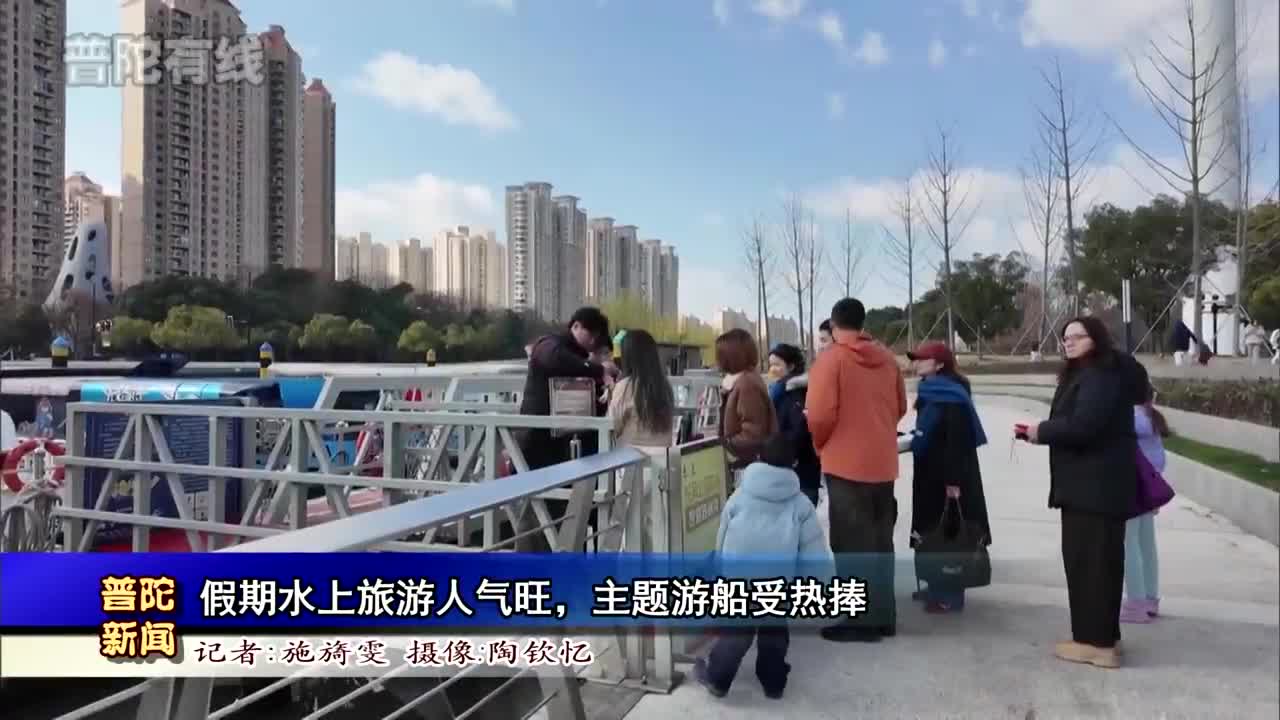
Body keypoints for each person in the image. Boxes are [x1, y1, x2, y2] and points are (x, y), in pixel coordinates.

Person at [1022, 316, 1137, 669]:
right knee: (1099, 565)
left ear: (1096, 338)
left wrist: (1041, 431)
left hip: (1093, 489)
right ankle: (1105, 637)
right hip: (1093, 488)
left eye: (1077, 336)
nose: (1068, 342)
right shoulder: (1095, 373)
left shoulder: (1099, 375)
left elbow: (1085, 426)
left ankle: (1094, 643)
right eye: (1065, 337)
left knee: (1089, 565)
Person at [693, 433, 834, 700]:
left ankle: (718, 679)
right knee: (775, 631)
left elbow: (722, 537)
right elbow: (814, 553)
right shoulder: (801, 504)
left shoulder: (739, 496)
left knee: (737, 632)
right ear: (793, 464)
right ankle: (773, 683)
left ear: (759, 458)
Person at [806, 298, 908, 642]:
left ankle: (860, 621)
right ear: (863, 324)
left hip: (845, 464)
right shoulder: (888, 360)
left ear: (834, 326)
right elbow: (900, 406)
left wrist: (822, 445)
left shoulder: (831, 359)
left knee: (851, 543)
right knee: (879, 541)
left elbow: (819, 415)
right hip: (883, 463)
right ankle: (883, 616)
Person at [906, 340, 991, 614]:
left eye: (923, 359)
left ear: (940, 364)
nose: (917, 363)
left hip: (949, 475)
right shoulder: (930, 390)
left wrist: (953, 482)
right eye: (916, 358)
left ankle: (950, 595)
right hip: (929, 472)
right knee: (932, 530)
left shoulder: (952, 395)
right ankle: (935, 584)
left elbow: (957, 443)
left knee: (950, 533)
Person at [1122, 370, 1169, 624]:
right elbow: (1160, 459)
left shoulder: (1131, 419)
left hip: (1132, 488)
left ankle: (1135, 603)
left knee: (1128, 544)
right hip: (1149, 489)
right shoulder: (1151, 417)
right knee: (1146, 545)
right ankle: (1150, 598)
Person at [715, 328, 778, 471]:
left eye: (719, 355)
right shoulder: (740, 381)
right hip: (743, 461)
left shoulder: (746, 384)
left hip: (745, 463)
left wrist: (726, 444)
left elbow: (753, 433)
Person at [766, 343, 820, 506]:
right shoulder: (778, 390)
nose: (772, 369)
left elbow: (799, 430)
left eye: (777, 365)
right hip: (790, 468)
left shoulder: (794, 392)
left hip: (800, 470)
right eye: (770, 365)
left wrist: (779, 451)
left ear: (791, 366)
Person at [609, 329, 675, 453]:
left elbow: (611, 426)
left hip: (631, 460)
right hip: (662, 460)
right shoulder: (665, 386)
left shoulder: (625, 386)